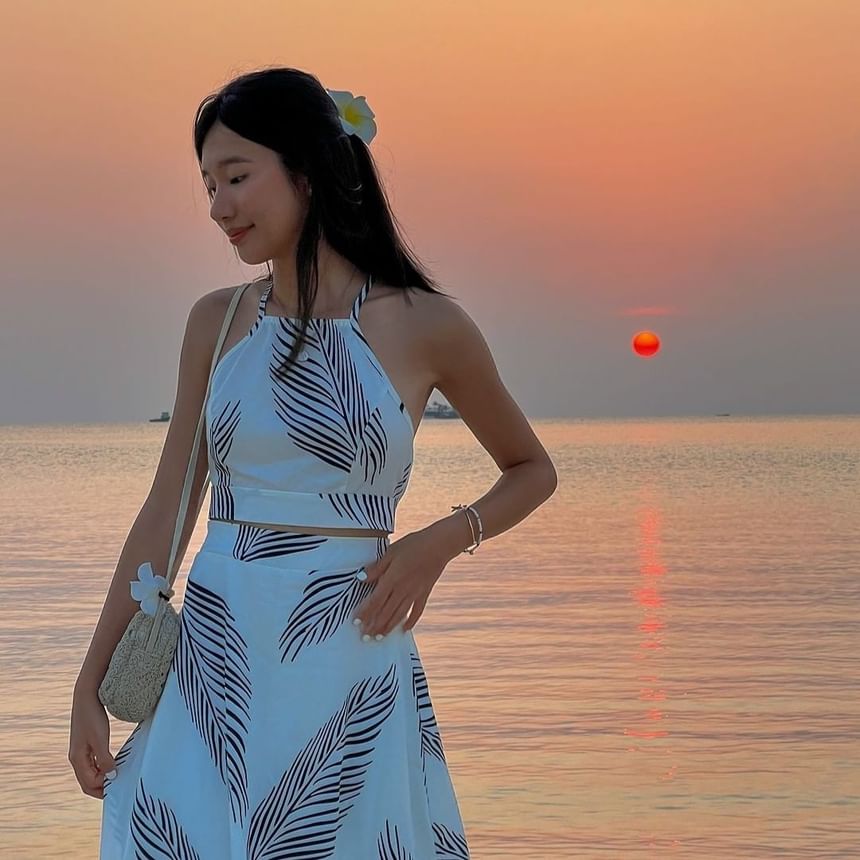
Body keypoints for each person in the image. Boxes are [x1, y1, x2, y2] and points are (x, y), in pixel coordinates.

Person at [69, 66, 558, 858]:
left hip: (350, 653)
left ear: (306, 170)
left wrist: (438, 542)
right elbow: (167, 511)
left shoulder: (425, 324)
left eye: (236, 176)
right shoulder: (216, 322)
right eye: (206, 185)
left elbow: (532, 468)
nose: (218, 207)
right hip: (216, 661)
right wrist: (88, 685)